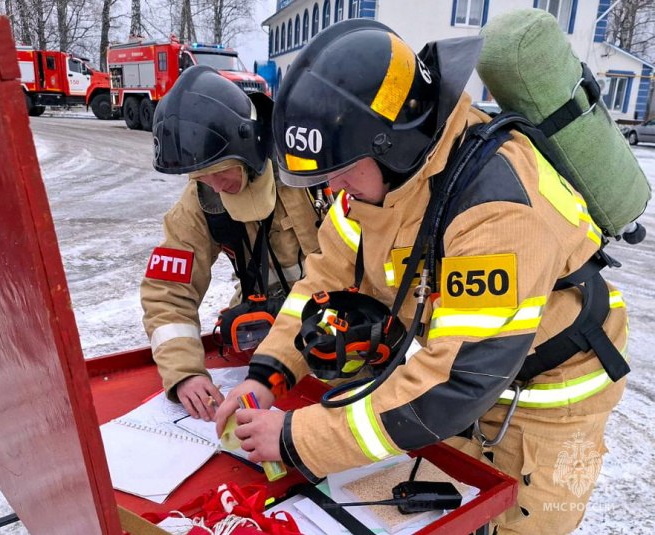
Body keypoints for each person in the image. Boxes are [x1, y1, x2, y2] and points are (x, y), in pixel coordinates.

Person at [215, 20, 628, 534]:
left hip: (546, 400)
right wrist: (266, 376)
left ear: (393, 144)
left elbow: (456, 381)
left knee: (514, 524)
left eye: (341, 169)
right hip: (465, 379)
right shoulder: (374, 186)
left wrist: (299, 438)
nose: (333, 185)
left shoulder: (497, 210)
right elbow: (321, 286)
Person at [142, 66, 322, 422]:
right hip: (265, 351)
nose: (216, 185)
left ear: (248, 147)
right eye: (202, 175)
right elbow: (167, 292)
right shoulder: (200, 199)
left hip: (341, 344)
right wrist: (185, 372)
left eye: (222, 170)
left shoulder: (313, 174)